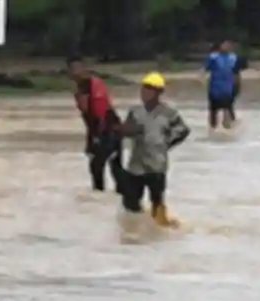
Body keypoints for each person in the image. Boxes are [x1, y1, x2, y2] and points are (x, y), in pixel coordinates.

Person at [119, 72, 190, 225]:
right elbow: (125, 130)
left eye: (149, 90)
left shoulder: (169, 113)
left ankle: (160, 230)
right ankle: (134, 229)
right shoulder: (135, 112)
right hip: (136, 165)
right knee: (130, 204)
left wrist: (167, 143)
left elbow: (183, 130)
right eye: (143, 89)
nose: (145, 93)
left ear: (159, 93)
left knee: (157, 202)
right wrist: (128, 130)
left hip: (157, 165)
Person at [70, 57, 123, 194]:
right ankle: (105, 195)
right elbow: (87, 117)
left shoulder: (94, 85)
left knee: (102, 165)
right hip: (99, 130)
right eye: (73, 69)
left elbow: (101, 113)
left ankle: (115, 196)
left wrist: (98, 137)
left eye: (78, 68)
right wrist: (91, 139)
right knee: (101, 165)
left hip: (109, 129)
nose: (76, 72)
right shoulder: (80, 89)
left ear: (85, 69)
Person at [205, 40, 241, 129]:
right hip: (215, 89)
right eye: (224, 45)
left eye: (228, 45)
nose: (226, 47)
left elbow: (237, 75)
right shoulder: (213, 58)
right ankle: (214, 130)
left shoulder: (234, 59)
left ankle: (229, 129)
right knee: (214, 112)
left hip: (227, 89)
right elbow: (205, 70)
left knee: (227, 110)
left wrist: (237, 89)